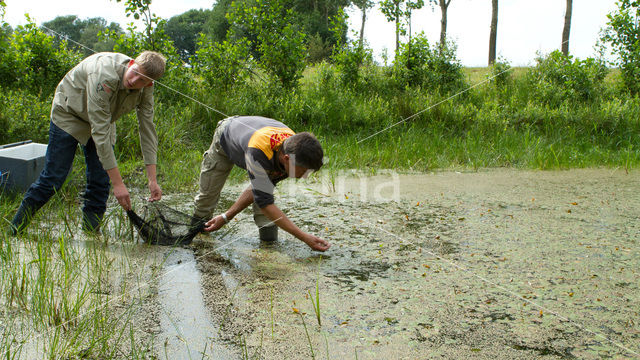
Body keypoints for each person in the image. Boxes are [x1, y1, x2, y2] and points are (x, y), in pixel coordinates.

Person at [9, 51, 166, 235]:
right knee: (54, 178)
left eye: (142, 80)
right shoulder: (104, 74)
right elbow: (99, 133)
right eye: (135, 72)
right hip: (69, 114)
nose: (134, 81)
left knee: (100, 181)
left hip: (102, 119)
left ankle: (91, 235)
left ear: (149, 83)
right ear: (131, 63)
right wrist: (118, 184)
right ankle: (15, 230)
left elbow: (147, 129)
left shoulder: (146, 88)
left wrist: (152, 179)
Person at [193, 115, 330, 252]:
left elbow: (260, 194)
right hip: (226, 136)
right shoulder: (259, 153)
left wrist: (226, 216)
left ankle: (269, 248)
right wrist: (304, 237)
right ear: (286, 159)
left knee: (264, 210)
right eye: (303, 171)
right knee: (207, 198)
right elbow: (266, 204)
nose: (304, 177)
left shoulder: (296, 149)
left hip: (255, 137)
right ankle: (198, 242)